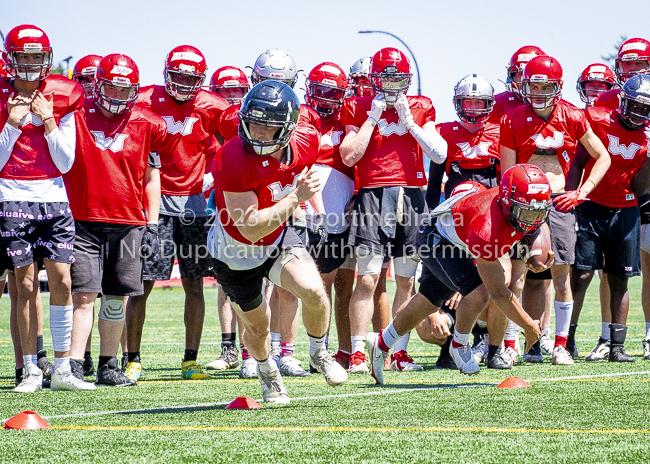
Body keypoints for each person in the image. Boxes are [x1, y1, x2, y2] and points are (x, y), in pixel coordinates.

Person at [208, 80, 347, 403]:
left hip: (280, 236)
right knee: (258, 326)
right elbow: (251, 227)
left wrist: (303, 199)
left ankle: (318, 352)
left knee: (313, 291)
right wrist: (297, 197)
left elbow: (301, 169)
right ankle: (267, 372)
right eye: (252, 123)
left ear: (286, 129)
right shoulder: (231, 157)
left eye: (266, 127)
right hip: (235, 250)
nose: (256, 132)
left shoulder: (307, 140)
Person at [367, 165, 553, 384]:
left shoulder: (514, 206)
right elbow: (499, 294)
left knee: (427, 303)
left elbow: (537, 225)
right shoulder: (488, 227)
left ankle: (381, 343)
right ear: (506, 202)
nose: (531, 220)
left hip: (458, 239)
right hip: (435, 238)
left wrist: (533, 255)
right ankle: (460, 345)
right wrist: (529, 326)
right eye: (526, 212)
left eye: (537, 212)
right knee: (480, 292)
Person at [340, 47, 447, 373]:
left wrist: (410, 122)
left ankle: (398, 352)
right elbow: (348, 155)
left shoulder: (421, 105)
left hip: (411, 196)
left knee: (405, 281)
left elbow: (439, 154)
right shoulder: (357, 105)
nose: (391, 85)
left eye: (397, 79)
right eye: (386, 78)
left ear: (407, 80)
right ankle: (359, 351)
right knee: (369, 279)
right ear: (374, 78)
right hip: (373, 195)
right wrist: (372, 117)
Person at [125, 45, 229, 381]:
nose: (183, 83)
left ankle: (189, 360)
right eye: (178, 75)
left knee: (195, 284)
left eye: (190, 77)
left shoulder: (212, 106)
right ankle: (132, 358)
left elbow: (238, 139)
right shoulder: (143, 99)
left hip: (194, 206)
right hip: (153, 204)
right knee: (142, 285)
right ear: (166, 72)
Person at [500, 55, 611, 365]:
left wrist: (581, 192)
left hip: (559, 200)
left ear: (557, 88)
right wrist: (510, 207)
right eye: (532, 86)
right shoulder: (512, 118)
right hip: (522, 203)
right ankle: (511, 343)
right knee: (517, 277)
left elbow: (603, 157)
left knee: (561, 276)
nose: (537, 92)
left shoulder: (572, 116)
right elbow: (507, 172)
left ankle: (560, 344)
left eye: (544, 86)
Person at [65, 54, 165, 386]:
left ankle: (109, 364)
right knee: (83, 295)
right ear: (98, 85)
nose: (119, 97)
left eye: (126, 90)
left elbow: (152, 178)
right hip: (84, 218)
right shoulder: (76, 116)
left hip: (127, 222)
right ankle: (75, 363)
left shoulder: (148, 124)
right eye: (113, 88)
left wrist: (152, 222)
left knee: (115, 297)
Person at [0, 24, 87, 392]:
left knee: (63, 280)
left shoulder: (63, 95)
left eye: (38, 56)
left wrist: (49, 118)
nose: (33, 63)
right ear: (11, 59)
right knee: (22, 283)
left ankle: (64, 368)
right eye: (25, 56)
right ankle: (33, 370)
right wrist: (13, 125)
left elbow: (66, 161)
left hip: (53, 196)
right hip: (12, 194)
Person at [426, 74, 514, 369]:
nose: (474, 109)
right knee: (447, 289)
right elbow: (435, 183)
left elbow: (507, 180)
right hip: (454, 221)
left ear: (490, 105)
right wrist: (430, 220)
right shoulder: (444, 132)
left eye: (480, 103)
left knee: (499, 282)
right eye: (469, 102)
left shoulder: (501, 133)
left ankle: (495, 348)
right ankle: (451, 345)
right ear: (457, 103)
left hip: (491, 217)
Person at [567, 74, 650, 362]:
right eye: (635, 105)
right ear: (622, 100)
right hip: (589, 205)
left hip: (625, 210)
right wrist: (572, 196)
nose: (639, 113)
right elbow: (578, 162)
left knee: (620, 279)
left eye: (645, 108)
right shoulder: (598, 118)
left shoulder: (646, 136)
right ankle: (567, 340)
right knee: (581, 273)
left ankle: (617, 347)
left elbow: (639, 188)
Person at [488, 45, 546, 124]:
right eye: (520, 74)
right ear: (512, 76)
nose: (526, 80)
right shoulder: (497, 104)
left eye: (532, 74)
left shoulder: (562, 110)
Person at [594, 38, 650, 109]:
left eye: (638, 63)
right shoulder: (607, 100)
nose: (632, 68)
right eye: (627, 63)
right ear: (620, 67)